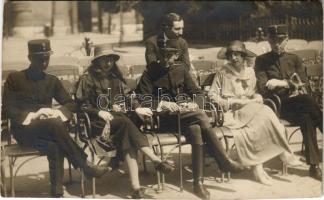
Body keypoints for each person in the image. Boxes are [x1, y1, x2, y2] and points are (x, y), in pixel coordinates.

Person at [136, 39, 245, 200]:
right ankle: (223, 160)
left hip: (186, 116)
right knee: (200, 116)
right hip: (163, 120)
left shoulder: (181, 70)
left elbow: (198, 93)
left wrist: (193, 104)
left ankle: (198, 183)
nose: (166, 59)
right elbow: (143, 99)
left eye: (170, 55)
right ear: (158, 55)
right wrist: (163, 103)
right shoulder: (150, 72)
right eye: (163, 55)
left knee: (196, 129)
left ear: (176, 55)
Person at [2, 39, 108, 197]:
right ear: (30, 58)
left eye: (47, 58)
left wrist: (59, 112)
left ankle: (57, 192)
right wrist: (34, 115)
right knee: (54, 125)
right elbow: (7, 109)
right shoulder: (15, 79)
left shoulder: (52, 81)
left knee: (56, 144)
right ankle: (84, 165)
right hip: (25, 132)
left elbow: (71, 104)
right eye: (40, 59)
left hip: (51, 132)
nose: (44, 62)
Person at [75, 44, 175, 199]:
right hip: (97, 124)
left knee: (127, 135)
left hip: (118, 124)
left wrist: (137, 108)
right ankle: (155, 159)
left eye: (111, 59)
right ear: (96, 61)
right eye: (104, 60)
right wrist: (99, 111)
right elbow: (81, 105)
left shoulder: (115, 79)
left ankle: (136, 188)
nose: (108, 63)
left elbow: (130, 96)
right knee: (126, 123)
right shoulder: (87, 79)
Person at [208, 40, 303, 185]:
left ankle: (261, 165)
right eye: (231, 55)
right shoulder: (223, 72)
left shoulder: (250, 72)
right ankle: (280, 155)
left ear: (244, 56)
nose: (234, 58)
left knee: (264, 112)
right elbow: (212, 95)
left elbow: (256, 92)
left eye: (238, 55)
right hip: (233, 111)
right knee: (262, 115)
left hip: (250, 107)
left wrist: (257, 98)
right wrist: (231, 102)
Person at [255, 25, 323, 181]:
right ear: (268, 40)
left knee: (307, 116)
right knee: (308, 101)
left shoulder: (294, 59)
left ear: (287, 40)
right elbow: (263, 88)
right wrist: (291, 85)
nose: (277, 44)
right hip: (277, 106)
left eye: (280, 40)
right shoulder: (262, 61)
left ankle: (314, 166)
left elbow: (304, 84)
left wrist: (283, 83)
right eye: (273, 40)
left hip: (299, 105)